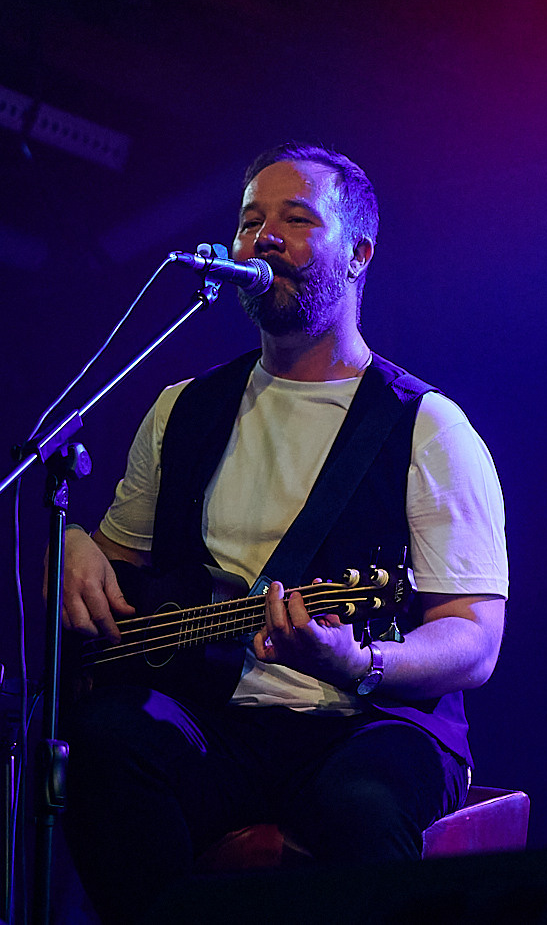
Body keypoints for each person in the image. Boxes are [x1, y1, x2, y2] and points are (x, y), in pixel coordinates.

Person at [58, 142, 509, 924]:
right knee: (106, 744)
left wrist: (359, 659)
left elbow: (475, 636)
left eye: (296, 219)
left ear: (359, 253)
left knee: (363, 805)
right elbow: (115, 563)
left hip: (368, 723)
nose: (264, 237)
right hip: (217, 718)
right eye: (250, 220)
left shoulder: (429, 427)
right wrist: (74, 545)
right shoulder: (182, 408)